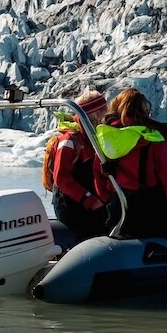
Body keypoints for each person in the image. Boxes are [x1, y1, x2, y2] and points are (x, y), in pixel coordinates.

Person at [94, 89, 167, 237]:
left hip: (118, 211)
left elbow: (99, 178)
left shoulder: (105, 141)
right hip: (152, 214)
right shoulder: (152, 139)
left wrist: (110, 199)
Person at [46, 91, 113, 239]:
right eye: (103, 113)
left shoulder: (91, 138)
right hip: (72, 206)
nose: (105, 118)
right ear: (93, 115)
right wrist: (89, 199)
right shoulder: (69, 140)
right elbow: (62, 178)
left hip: (88, 203)